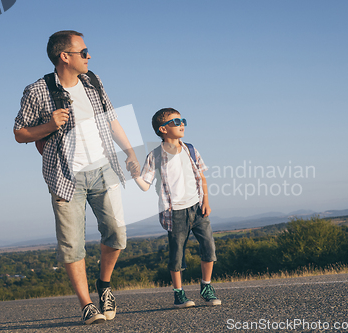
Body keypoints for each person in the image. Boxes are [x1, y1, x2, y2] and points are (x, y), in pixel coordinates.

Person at [13, 30, 140, 325]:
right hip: (65, 177)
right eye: (83, 51)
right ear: (64, 57)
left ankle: (104, 285)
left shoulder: (93, 81)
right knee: (72, 244)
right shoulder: (37, 91)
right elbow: (20, 133)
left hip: (104, 169)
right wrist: (49, 124)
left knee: (117, 235)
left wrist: (130, 152)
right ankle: (86, 305)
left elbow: (111, 119)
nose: (89, 56)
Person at [134, 108, 221, 308]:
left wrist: (206, 201)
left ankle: (206, 287)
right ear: (163, 129)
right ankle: (179, 293)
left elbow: (201, 176)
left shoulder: (190, 149)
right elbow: (146, 184)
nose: (181, 124)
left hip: (197, 208)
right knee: (177, 254)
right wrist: (134, 175)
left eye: (183, 120)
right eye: (176, 122)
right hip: (175, 213)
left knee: (209, 248)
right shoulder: (155, 155)